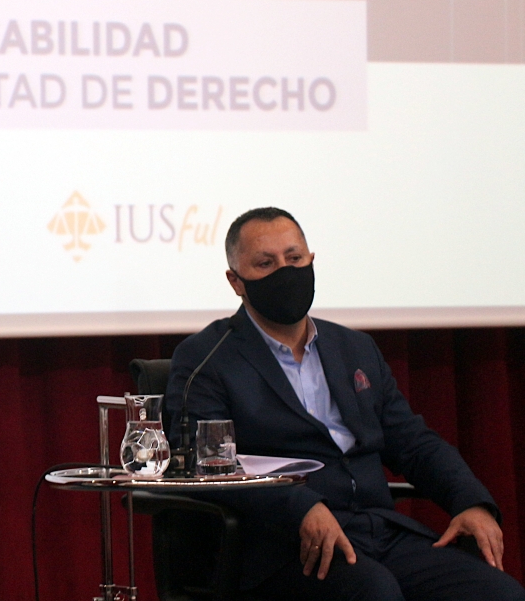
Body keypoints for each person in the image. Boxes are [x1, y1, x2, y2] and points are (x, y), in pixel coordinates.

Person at [165, 207, 525, 601]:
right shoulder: (206, 358)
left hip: (377, 530)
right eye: (266, 264)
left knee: (498, 593)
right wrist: (300, 506)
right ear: (236, 281)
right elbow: (208, 464)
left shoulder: (353, 347)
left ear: (311, 260)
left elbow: (413, 442)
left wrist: (470, 501)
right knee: (374, 591)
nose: (285, 272)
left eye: (294, 258)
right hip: (282, 544)